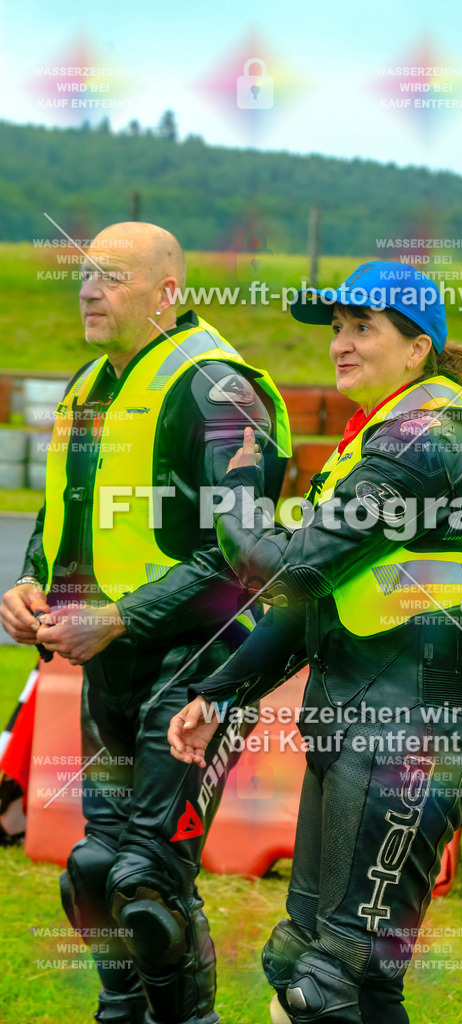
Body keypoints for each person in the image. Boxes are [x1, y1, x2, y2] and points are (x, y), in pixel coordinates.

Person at [168, 260, 462, 1024]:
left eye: (361, 327)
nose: (339, 343)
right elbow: (318, 600)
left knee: (325, 986)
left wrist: (234, 492)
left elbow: (290, 569)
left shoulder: (429, 441)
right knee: (323, 970)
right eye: (337, 328)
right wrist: (220, 691)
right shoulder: (382, 438)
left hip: (411, 742)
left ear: (417, 348)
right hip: (352, 727)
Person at [0, 221, 291, 1024]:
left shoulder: (218, 390)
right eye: (84, 275)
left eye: (111, 276)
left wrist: (121, 617)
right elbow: (61, 516)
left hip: (198, 668)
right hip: (113, 671)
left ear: (167, 291)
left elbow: (240, 559)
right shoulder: (87, 386)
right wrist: (31, 581)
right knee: (95, 872)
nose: (89, 290)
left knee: (146, 884)